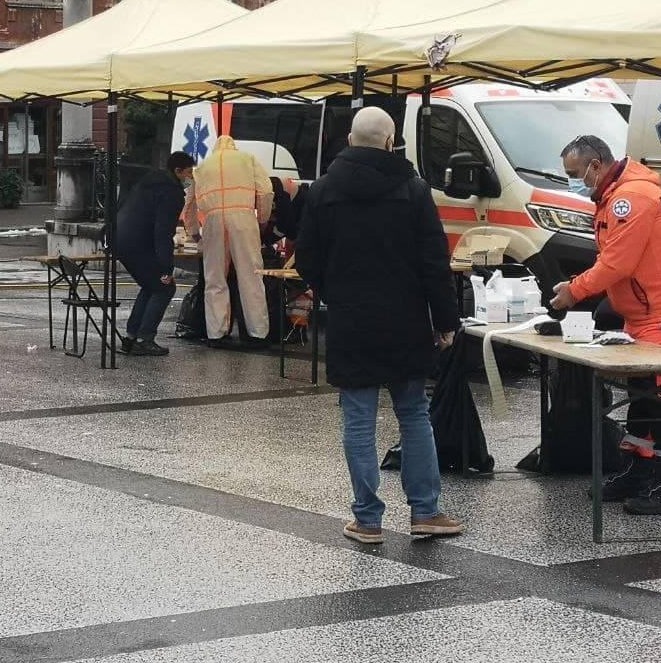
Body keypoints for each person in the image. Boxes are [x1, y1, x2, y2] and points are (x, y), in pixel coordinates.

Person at [295, 107, 463, 545]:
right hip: (405, 320)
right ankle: (425, 512)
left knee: (358, 420)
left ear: (350, 140)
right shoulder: (413, 189)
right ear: (391, 143)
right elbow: (434, 263)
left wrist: (334, 290)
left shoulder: (323, 191)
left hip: (350, 320)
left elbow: (307, 259)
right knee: (414, 415)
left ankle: (367, 519)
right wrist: (446, 321)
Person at [550, 135, 661, 515]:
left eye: (575, 173)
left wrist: (574, 290)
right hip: (647, 314)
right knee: (643, 397)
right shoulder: (616, 195)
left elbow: (618, 263)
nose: (574, 181)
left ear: (596, 165)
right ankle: (642, 467)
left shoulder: (631, 198)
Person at [183, 135, 272, 347]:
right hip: (243, 219)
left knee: (214, 278)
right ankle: (257, 334)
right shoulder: (248, 159)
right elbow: (266, 191)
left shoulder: (202, 168)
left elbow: (188, 204)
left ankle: (216, 334)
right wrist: (262, 219)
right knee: (251, 276)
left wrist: (194, 232)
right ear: (234, 147)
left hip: (213, 221)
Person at [116, 151, 194, 356]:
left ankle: (132, 337)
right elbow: (163, 232)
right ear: (177, 171)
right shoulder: (171, 193)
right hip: (137, 242)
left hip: (120, 237)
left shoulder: (151, 181)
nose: (191, 177)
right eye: (189, 172)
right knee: (164, 288)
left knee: (151, 285)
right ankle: (144, 339)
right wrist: (167, 268)